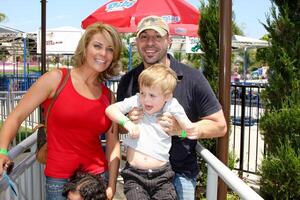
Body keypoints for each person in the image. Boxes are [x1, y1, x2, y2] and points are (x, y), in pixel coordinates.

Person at [0, 22, 121, 200]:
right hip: (60, 182)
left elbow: (113, 144)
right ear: (85, 47)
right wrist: (2, 151)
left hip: (97, 180)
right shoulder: (56, 79)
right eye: (97, 46)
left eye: (110, 49)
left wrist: (112, 185)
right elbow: (16, 117)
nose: (103, 54)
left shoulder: (108, 96)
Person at [116, 15, 227, 200]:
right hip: (138, 176)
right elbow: (118, 128)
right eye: (144, 36)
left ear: (169, 41)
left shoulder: (192, 78)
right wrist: (127, 121)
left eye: (157, 37)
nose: (150, 42)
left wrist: (180, 130)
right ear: (136, 42)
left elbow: (220, 126)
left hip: (180, 174)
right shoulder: (128, 80)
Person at [106, 63, 193, 199]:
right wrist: (126, 122)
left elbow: (189, 131)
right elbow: (110, 110)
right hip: (134, 176)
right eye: (143, 93)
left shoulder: (172, 106)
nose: (146, 99)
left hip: (162, 177)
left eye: (152, 95)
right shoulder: (136, 101)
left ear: (167, 96)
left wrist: (179, 131)